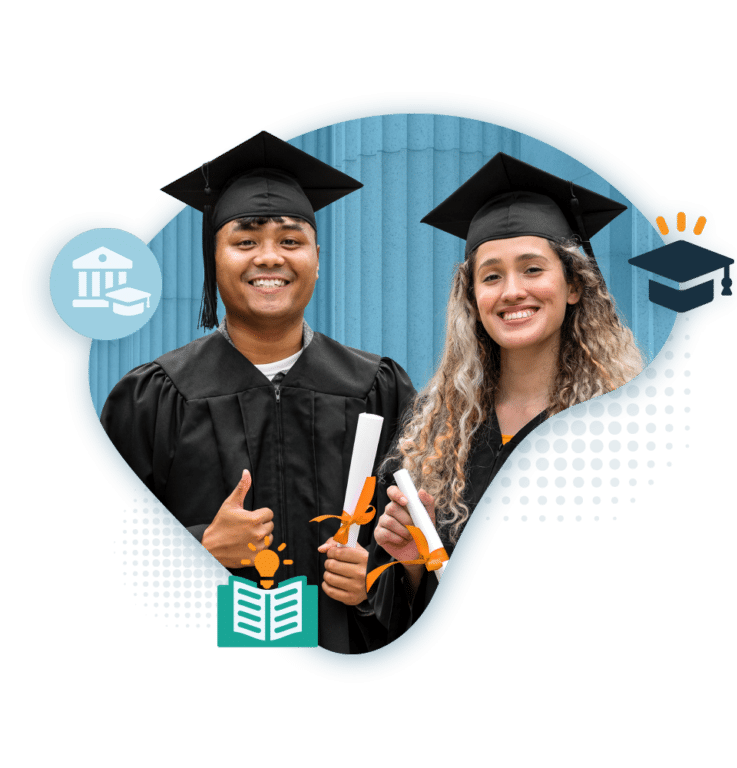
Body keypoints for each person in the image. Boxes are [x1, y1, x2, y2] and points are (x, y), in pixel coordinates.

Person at [101, 132, 415, 653]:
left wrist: (373, 584)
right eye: (245, 241)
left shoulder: (378, 388)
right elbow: (103, 552)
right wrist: (199, 547)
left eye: (291, 241)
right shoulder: (152, 397)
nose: (269, 258)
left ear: (318, 257)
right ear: (214, 257)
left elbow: (418, 544)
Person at [368, 153, 644, 641]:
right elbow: (401, 616)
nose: (512, 291)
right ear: (472, 298)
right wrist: (411, 561)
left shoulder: (620, 427)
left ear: (574, 285)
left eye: (533, 269)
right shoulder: (433, 431)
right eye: (491, 276)